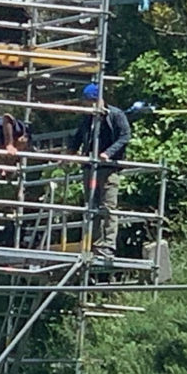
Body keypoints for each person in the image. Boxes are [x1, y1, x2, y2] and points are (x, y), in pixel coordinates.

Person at [72, 83, 132, 258]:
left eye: (89, 102)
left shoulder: (115, 115)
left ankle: (108, 245)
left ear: (98, 100)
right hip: (90, 167)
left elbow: (125, 136)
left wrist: (109, 153)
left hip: (108, 168)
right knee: (92, 206)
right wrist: (70, 153)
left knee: (108, 206)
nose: (87, 106)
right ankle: (96, 244)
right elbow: (77, 136)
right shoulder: (88, 118)